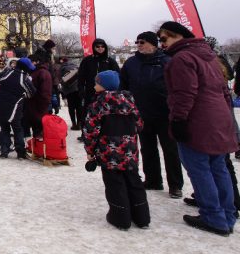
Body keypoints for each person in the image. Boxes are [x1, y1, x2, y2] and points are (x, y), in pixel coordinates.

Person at [159, 21, 238, 236]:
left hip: (198, 120)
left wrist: (178, 120)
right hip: (219, 118)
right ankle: (228, 215)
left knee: (200, 169)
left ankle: (213, 216)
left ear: (177, 36)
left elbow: (183, 93)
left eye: (164, 39)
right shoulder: (209, 57)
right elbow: (224, 91)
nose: (162, 44)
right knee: (219, 167)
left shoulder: (182, 58)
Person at [120, 31, 184, 198]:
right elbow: (123, 86)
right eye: (138, 41)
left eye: (143, 42)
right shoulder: (131, 63)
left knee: (170, 150)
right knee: (148, 149)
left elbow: (177, 86)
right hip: (142, 113)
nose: (139, 44)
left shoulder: (167, 61)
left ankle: (175, 185)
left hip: (165, 113)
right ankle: (153, 180)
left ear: (153, 44)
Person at [83, 70, 150, 230]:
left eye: (96, 83)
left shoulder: (98, 104)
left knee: (115, 184)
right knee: (134, 181)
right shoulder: (129, 100)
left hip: (108, 151)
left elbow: (90, 131)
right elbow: (139, 124)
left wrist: (90, 150)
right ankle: (142, 217)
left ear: (103, 86)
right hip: (130, 150)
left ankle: (120, 217)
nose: (94, 86)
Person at [77, 38, 120, 140]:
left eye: (102, 46)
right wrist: (81, 90)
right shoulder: (87, 60)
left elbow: (118, 76)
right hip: (90, 92)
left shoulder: (110, 61)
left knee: (105, 114)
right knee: (88, 113)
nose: (100, 48)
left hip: (107, 94)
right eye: (97, 46)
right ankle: (86, 134)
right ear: (94, 47)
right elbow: (81, 77)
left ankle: (105, 133)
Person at [0, 57, 36, 159]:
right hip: (13, 108)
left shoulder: (7, 73)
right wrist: (23, 94)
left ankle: (4, 151)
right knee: (17, 129)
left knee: (4, 129)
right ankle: (20, 153)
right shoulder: (24, 78)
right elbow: (32, 93)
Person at [24, 51, 52, 138]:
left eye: (30, 62)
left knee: (39, 132)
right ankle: (37, 148)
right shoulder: (34, 72)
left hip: (39, 108)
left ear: (37, 62)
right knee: (36, 132)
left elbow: (45, 92)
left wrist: (42, 107)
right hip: (33, 108)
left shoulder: (42, 72)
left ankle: (40, 150)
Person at [59, 57, 81, 130]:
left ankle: (73, 124)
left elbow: (62, 81)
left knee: (71, 108)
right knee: (79, 107)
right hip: (78, 90)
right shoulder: (76, 67)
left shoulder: (62, 69)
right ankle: (79, 124)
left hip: (69, 91)